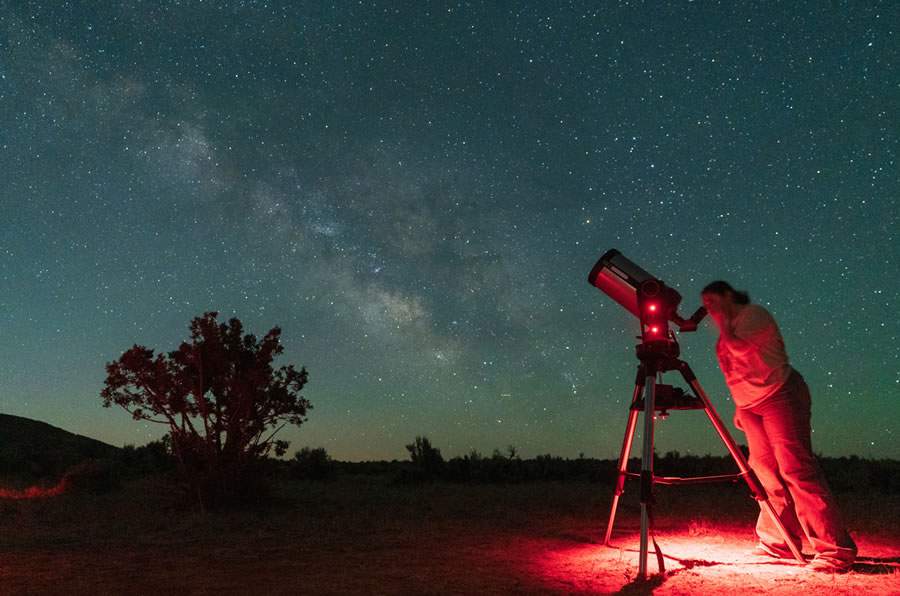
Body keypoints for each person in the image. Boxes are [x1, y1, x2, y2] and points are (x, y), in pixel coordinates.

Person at [701, 281, 856, 572]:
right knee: (764, 472)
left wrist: (722, 324)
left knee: (795, 468)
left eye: (712, 300)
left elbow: (743, 353)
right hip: (751, 406)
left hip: (780, 395)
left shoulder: (754, 315)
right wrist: (739, 405)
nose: (708, 308)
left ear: (728, 296)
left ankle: (835, 551)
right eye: (705, 303)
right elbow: (737, 372)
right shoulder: (726, 332)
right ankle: (778, 543)